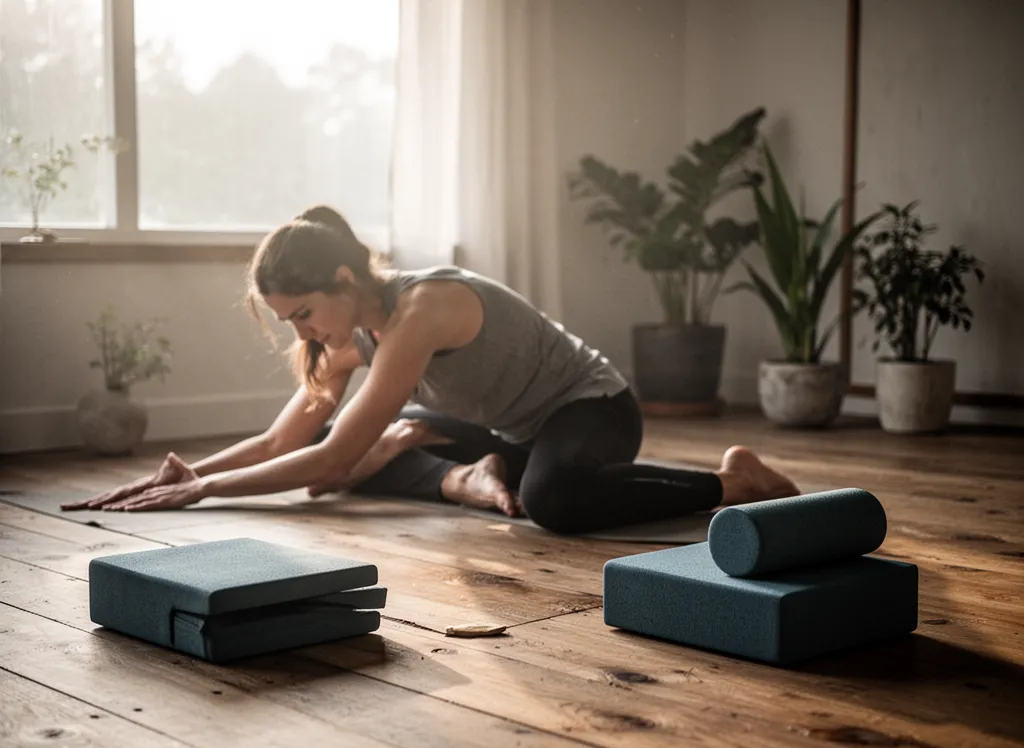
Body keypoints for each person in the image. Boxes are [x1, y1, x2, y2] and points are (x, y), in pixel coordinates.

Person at [63, 205, 800, 534]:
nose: (305, 332)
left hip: (592, 407)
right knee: (352, 463)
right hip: (508, 425)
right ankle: (471, 476)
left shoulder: (422, 311)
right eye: (291, 322)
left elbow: (337, 449)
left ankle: (736, 481)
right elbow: (284, 443)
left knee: (557, 503)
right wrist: (186, 474)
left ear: (346, 279)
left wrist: (204, 493)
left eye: (303, 313)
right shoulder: (357, 330)